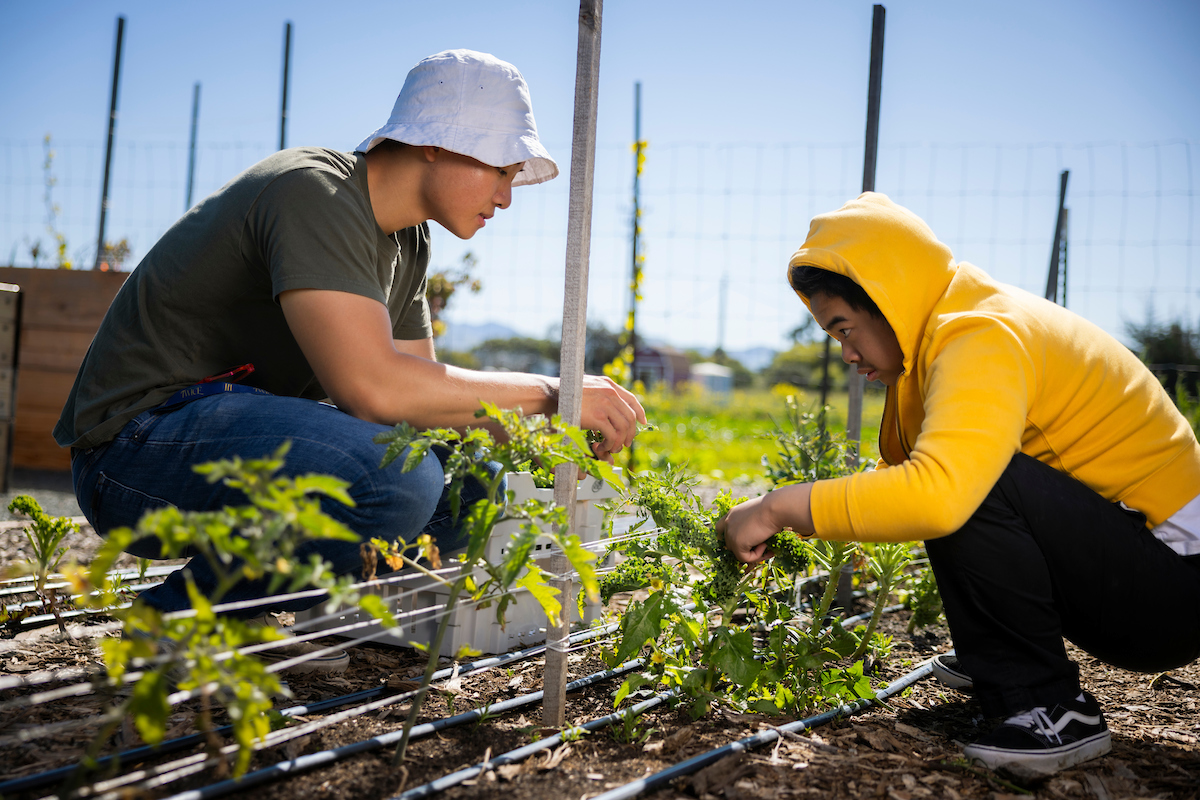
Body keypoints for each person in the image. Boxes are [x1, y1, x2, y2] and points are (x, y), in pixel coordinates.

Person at [56, 49, 645, 672]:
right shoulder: (315, 192)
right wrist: (554, 393)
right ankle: (169, 620)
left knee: (470, 488)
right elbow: (373, 389)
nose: (506, 195)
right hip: (132, 447)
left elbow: (423, 409)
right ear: (433, 143)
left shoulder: (407, 242)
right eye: (498, 167)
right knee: (398, 481)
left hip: (225, 436)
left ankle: (236, 610)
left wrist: (546, 437)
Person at [720, 192, 1200, 776]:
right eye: (833, 337)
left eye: (846, 329)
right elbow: (897, 482)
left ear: (889, 300)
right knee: (958, 478)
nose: (846, 353)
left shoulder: (980, 331)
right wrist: (804, 522)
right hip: (1141, 570)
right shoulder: (942, 332)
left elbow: (939, 493)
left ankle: (1049, 704)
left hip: (1174, 590)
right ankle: (1002, 656)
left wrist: (775, 509)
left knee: (964, 484)